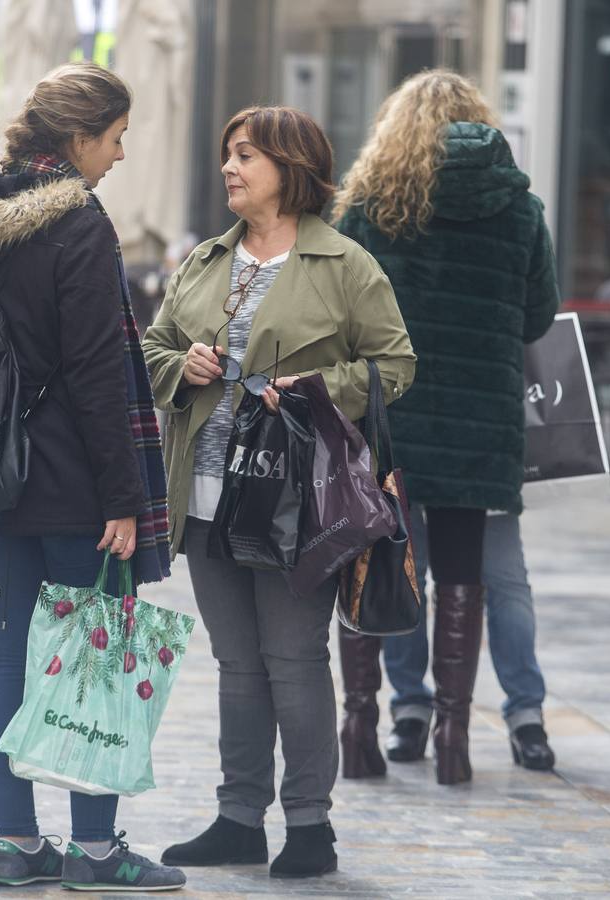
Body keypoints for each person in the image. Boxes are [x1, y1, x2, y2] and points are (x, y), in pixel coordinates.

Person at [0, 62, 183, 892]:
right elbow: (97, 373)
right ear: (77, 139)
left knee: (12, 657)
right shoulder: (79, 223)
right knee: (94, 658)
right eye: (114, 139)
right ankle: (98, 854)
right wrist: (124, 499)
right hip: (76, 479)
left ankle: (16, 845)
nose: (117, 155)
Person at [143, 105, 415, 879]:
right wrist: (180, 364)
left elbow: (394, 366)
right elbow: (152, 345)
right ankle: (238, 817)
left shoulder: (346, 264)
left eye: (246, 157)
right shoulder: (205, 259)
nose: (229, 168)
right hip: (202, 494)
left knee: (293, 659)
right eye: (228, 155)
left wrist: (314, 389)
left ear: (290, 168)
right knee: (237, 664)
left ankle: (309, 825)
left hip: (297, 499)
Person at [332, 69, 560, 785]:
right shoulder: (521, 209)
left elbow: (337, 309)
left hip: (389, 418)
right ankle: (456, 740)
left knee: (386, 567)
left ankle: (370, 722)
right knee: (467, 574)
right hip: (482, 422)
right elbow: (537, 319)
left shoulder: (371, 205)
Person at [383, 510, 556, 770]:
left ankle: (524, 711)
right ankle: (412, 706)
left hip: (481, 473)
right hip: (408, 470)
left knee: (504, 575)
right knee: (406, 570)